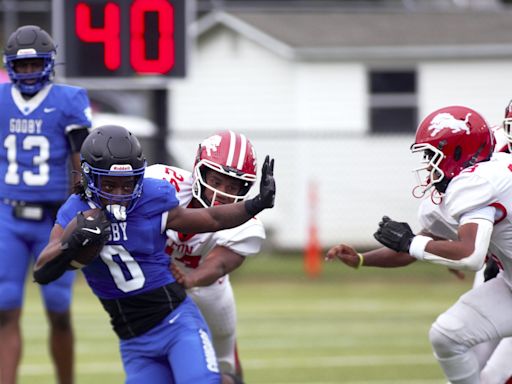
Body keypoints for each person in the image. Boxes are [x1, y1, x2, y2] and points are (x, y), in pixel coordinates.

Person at [32, 125, 275, 384]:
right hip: (134, 339)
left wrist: (255, 204)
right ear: (90, 177)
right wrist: (72, 243)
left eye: (128, 184)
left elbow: (212, 219)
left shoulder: (152, 195)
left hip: (177, 318)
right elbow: (43, 271)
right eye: (110, 184)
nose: (120, 194)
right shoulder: (75, 212)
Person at [326, 105, 512, 384]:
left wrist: (411, 242)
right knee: (448, 334)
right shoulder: (475, 176)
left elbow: (469, 254)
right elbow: (425, 244)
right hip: (506, 280)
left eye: (432, 155)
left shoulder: (480, 180)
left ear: (459, 152)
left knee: (499, 376)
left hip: (498, 272)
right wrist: (363, 259)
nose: (427, 164)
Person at [0, 25, 92, 384]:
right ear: (10, 67)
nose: (27, 72)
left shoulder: (68, 100)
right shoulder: (2, 100)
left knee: (59, 311)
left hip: (52, 219)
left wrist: (81, 205)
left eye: (33, 64)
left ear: (49, 64)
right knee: (5, 310)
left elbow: (80, 160)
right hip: (7, 215)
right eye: (20, 66)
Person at [145, 130, 266, 381]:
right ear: (199, 172)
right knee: (157, 358)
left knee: (225, 365)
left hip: (209, 290)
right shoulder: (162, 182)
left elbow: (219, 264)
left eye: (233, 186)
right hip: (158, 282)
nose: (222, 192)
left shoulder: (247, 224)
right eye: (217, 181)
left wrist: (192, 279)